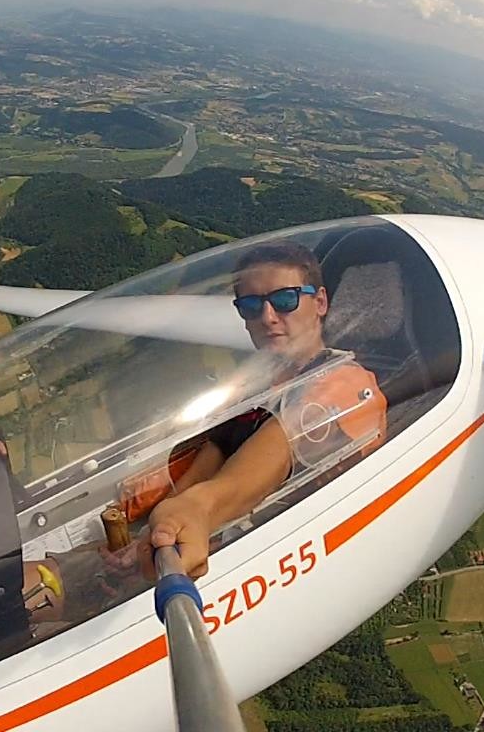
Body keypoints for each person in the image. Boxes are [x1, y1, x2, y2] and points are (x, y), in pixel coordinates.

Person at [142, 241, 386, 579]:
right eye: (251, 306)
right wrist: (154, 531)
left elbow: (282, 443)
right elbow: (213, 456)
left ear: (320, 302)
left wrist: (198, 508)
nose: (267, 317)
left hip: (301, 562)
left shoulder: (346, 384)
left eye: (284, 300)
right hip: (234, 544)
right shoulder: (255, 389)